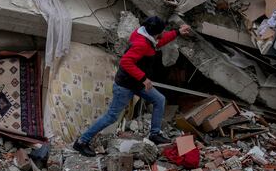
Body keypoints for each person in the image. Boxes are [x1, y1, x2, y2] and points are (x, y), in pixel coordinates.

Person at [72, 16, 191, 157]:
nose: (163, 34)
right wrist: (144, 78)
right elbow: (125, 62)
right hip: (125, 86)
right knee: (111, 117)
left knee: (159, 100)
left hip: (136, 84)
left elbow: (158, 42)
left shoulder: (144, 34)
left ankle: (155, 134)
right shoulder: (142, 44)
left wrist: (177, 32)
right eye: (161, 32)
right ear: (155, 32)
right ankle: (81, 142)